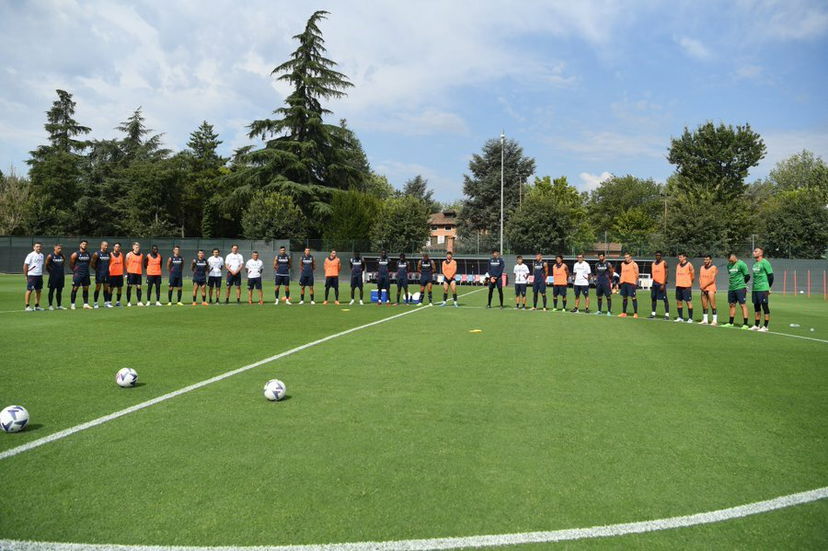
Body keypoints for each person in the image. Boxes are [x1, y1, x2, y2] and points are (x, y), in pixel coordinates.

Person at [723, 252, 751, 329]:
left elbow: (747, 276)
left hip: (740, 288)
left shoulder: (742, 264)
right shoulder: (729, 265)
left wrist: (743, 284)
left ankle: (745, 324)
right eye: (728, 260)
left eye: (730, 259)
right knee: (732, 305)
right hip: (731, 288)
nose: (729, 261)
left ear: (734, 256)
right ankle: (730, 323)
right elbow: (731, 275)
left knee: (742, 305)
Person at [750, 247, 773, 332]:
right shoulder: (755, 264)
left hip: (763, 288)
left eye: (756, 251)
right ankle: (757, 325)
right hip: (755, 289)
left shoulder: (765, 262)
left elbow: (771, 276)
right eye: (754, 251)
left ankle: (765, 326)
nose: (754, 252)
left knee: (765, 306)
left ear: (761, 253)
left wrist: (768, 287)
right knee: (756, 306)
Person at [70, 240, 93, 310]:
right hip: (78, 274)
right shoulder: (75, 254)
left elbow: (89, 263)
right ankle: (73, 304)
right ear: (80, 245)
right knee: (75, 288)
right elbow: (71, 264)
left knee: (86, 288)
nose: (84, 245)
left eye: (86, 244)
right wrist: (75, 271)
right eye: (83, 244)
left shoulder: (88, 254)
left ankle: (85, 304)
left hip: (86, 273)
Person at [23, 242, 44, 311]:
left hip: (39, 275)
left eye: (40, 246)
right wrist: (26, 275)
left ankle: (37, 305)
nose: (39, 248)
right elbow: (25, 265)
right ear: (34, 247)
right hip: (32, 275)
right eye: (37, 246)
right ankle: (27, 306)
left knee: (38, 290)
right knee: (29, 290)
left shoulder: (42, 255)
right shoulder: (30, 255)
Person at [649, 251, 669, 320]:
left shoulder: (664, 263)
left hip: (661, 284)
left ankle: (667, 315)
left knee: (665, 299)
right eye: (656, 255)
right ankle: (653, 313)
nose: (657, 256)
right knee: (653, 298)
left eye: (659, 255)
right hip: (654, 283)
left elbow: (666, 273)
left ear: (661, 256)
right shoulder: (653, 264)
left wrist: (663, 284)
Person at [674, 253, 694, 323]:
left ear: (685, 257)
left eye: (681, 257)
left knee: (688, 302)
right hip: (678, 286)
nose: (679, 258)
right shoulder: (678, 265)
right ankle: (680, 317)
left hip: (686, 287)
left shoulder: (689, 264)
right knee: (679, 302)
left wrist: (689, 283)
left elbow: (693, 275)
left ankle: (690, 318)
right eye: (679, 257)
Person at [90, 241, 111, 308]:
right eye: (105, 245)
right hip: (99, 274)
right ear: (101, 245)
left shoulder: (108, 254)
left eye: (107, 246)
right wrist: (97, 270)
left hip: (107, 273)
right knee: (98, 288)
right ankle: (95, 303)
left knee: (106, 288)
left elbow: (109, 262)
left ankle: (106, 303)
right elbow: (92, 263)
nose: (106, 247)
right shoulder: (97, 254)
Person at [618, 252, 639, 318]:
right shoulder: (622, 264)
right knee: (624, 298)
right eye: (625, 257)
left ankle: (635, 313)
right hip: (624, 283)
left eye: (627, 257)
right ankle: (624, 313)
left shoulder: (634, 264)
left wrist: (635, 283)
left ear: (630, 257)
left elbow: (637, 274)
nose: (626, 258)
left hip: (631, 283)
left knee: (633, 298)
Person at [698, 255, 718, 326]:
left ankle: (715, 321)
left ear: (710, 260)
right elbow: (700, 277)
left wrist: (704, 286)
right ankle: (705, 320)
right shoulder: (701, 267)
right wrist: (701, 285)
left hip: (710, 288)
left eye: (707, 259)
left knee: (713, 305)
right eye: (704, 259)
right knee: (704, 305)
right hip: (703, 289)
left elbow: (712, 279)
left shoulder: (714, 267)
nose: (705, 261)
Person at [45, 243, 66, 310]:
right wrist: (52, 273)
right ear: (55, 248)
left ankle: (59, 305)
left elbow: (63, 264)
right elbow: (47, 265)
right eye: (58, 248)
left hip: (61, 276)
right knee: (51, 290)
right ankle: (50, 305)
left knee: (59, 291)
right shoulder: (50, 256)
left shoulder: (62, 256)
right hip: (53, 277)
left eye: (60, 248)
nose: (60, 250)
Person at [125, 242, 144, 307]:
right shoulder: (129, 254)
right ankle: (128, 302)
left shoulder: (141, 255)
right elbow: (126, 263)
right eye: (136, 247)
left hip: (138, 273)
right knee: (129, 286)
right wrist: (129, 270)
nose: (137, 248)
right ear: (133, 247)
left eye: (138, 247)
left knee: (139, 287)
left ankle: (139, 301)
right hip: (131, 273)